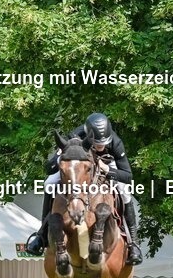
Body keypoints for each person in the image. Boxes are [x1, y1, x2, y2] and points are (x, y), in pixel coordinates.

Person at [25, 113, 143, 265]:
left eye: (104, 143)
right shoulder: (74, 136)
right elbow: (49, 168)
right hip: (80, 165)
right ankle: (41, 235)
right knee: (49, 184)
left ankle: (133, 243)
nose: (101, 146)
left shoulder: (115, 143)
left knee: (125, 192)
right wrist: (60, 156)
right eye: (97, 143)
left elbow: (127, 175)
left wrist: (108, 170)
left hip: (106, 165)